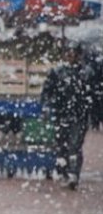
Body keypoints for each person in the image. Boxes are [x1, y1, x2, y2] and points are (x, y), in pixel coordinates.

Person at [41, 41, 92, 190]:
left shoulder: (85, 73)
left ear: (78, 55)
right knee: (61, 145)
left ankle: (73, 175)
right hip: (61, 114)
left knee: (74, 146)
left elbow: (93, 94)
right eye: (68, 52)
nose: (70, 56)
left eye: (73, 53)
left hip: (79, 115)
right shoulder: (57, 72)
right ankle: (64, 173)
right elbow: (47, 91)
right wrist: (47, 105)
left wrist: (90, 109)